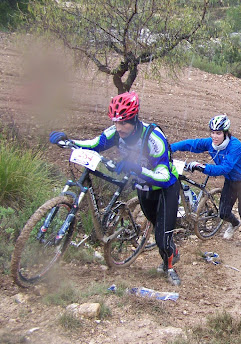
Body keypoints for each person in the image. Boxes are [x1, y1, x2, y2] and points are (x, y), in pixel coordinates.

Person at [48, 92, 182, 285]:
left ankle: (169, 267)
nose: (119, 128)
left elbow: (164, 176)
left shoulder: (154, 139)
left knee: (162, 235)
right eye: (115, 122)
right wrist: (69, 142)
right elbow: (95, 144)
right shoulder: (115, 132)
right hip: (143, 187)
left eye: (124, 123)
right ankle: (171, 252)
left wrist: (137, 168)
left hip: (165, 188)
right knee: (156, 227)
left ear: (135, 119)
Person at [170, 114, 241, 249]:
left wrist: (201, 166)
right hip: (231, 180)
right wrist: (170, 148)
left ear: (225, 133)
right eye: (212, 132)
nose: (214, 136)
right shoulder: (211, 144)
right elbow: (192, 144)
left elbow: (224, 168)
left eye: (218, 133)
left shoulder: (235, 146)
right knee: (223, 213)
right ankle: (235, 224)